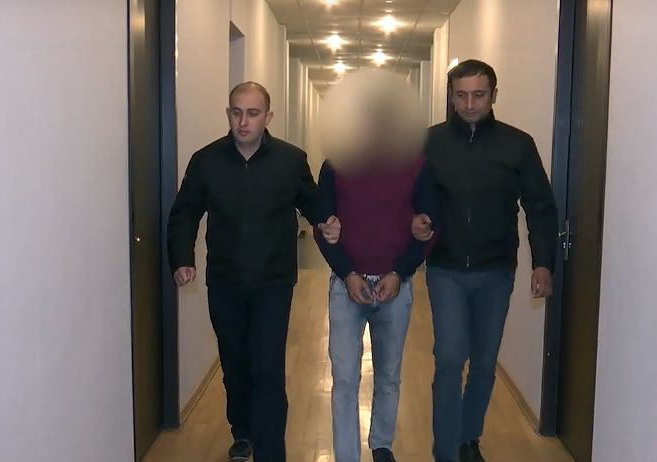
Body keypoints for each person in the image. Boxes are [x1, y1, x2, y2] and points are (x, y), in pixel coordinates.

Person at [167, 81, 339, 462]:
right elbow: (184, 213)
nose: (243, 121)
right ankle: (242, 430)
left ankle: (271, 450)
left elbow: (311, 201)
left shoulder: (290, 160)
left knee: (267, 367)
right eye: (236, 112)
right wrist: (182, 258)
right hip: (224, 281)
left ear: (268, 117)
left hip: (273, 281)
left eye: (253, 113)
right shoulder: (206, 161)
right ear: (228, 114)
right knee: (235, 363)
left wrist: (327, 220)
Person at [412, 60, 559, 462]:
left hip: (496, 270)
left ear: (494, 95)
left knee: (483, 361)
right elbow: (409, 197)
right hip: (445, 267)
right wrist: (415, 222)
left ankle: (468, 439)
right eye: (461, 95)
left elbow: (540, 206)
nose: (469, 103)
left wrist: (543, 262)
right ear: (451, 96)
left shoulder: (517, 145)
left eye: (478, 95)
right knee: (449, 358)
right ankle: (445, 450)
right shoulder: (429, 143)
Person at [313, 69, 438, 462]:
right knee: (344, 379)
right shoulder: (334, 166)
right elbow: (323, 228)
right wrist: (347, 273)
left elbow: (429, 227)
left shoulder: (419, 167)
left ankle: (381, 445)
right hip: (346, 287)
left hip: (394, 287)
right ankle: (346, 455)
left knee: (388, 376)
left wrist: (400, 272)